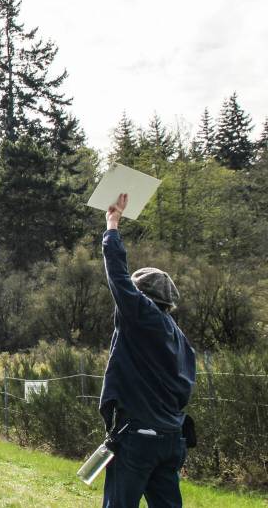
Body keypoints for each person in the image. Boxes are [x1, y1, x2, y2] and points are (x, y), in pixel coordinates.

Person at [100, 193, 196, 508]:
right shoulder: (181, 339)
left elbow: (117, 276)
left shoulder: (144, 317)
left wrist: (112, 224)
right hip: (171, 440)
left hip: (139, 437)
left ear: (144, 296)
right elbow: (184, 391)